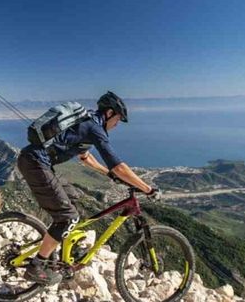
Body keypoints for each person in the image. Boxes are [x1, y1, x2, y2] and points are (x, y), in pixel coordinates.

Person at [16, 91, 157, 285]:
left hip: (35, 162)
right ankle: (37, 265)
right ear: (109, 113)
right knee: (68, 217)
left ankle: (63, 250)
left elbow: (85, 157)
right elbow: (119, 166)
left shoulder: (86, 122)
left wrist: (108, 174)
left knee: (73, 196)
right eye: (117, 119)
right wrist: (147, 188)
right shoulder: (94, 127)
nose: (117, 125)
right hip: (36, 164)